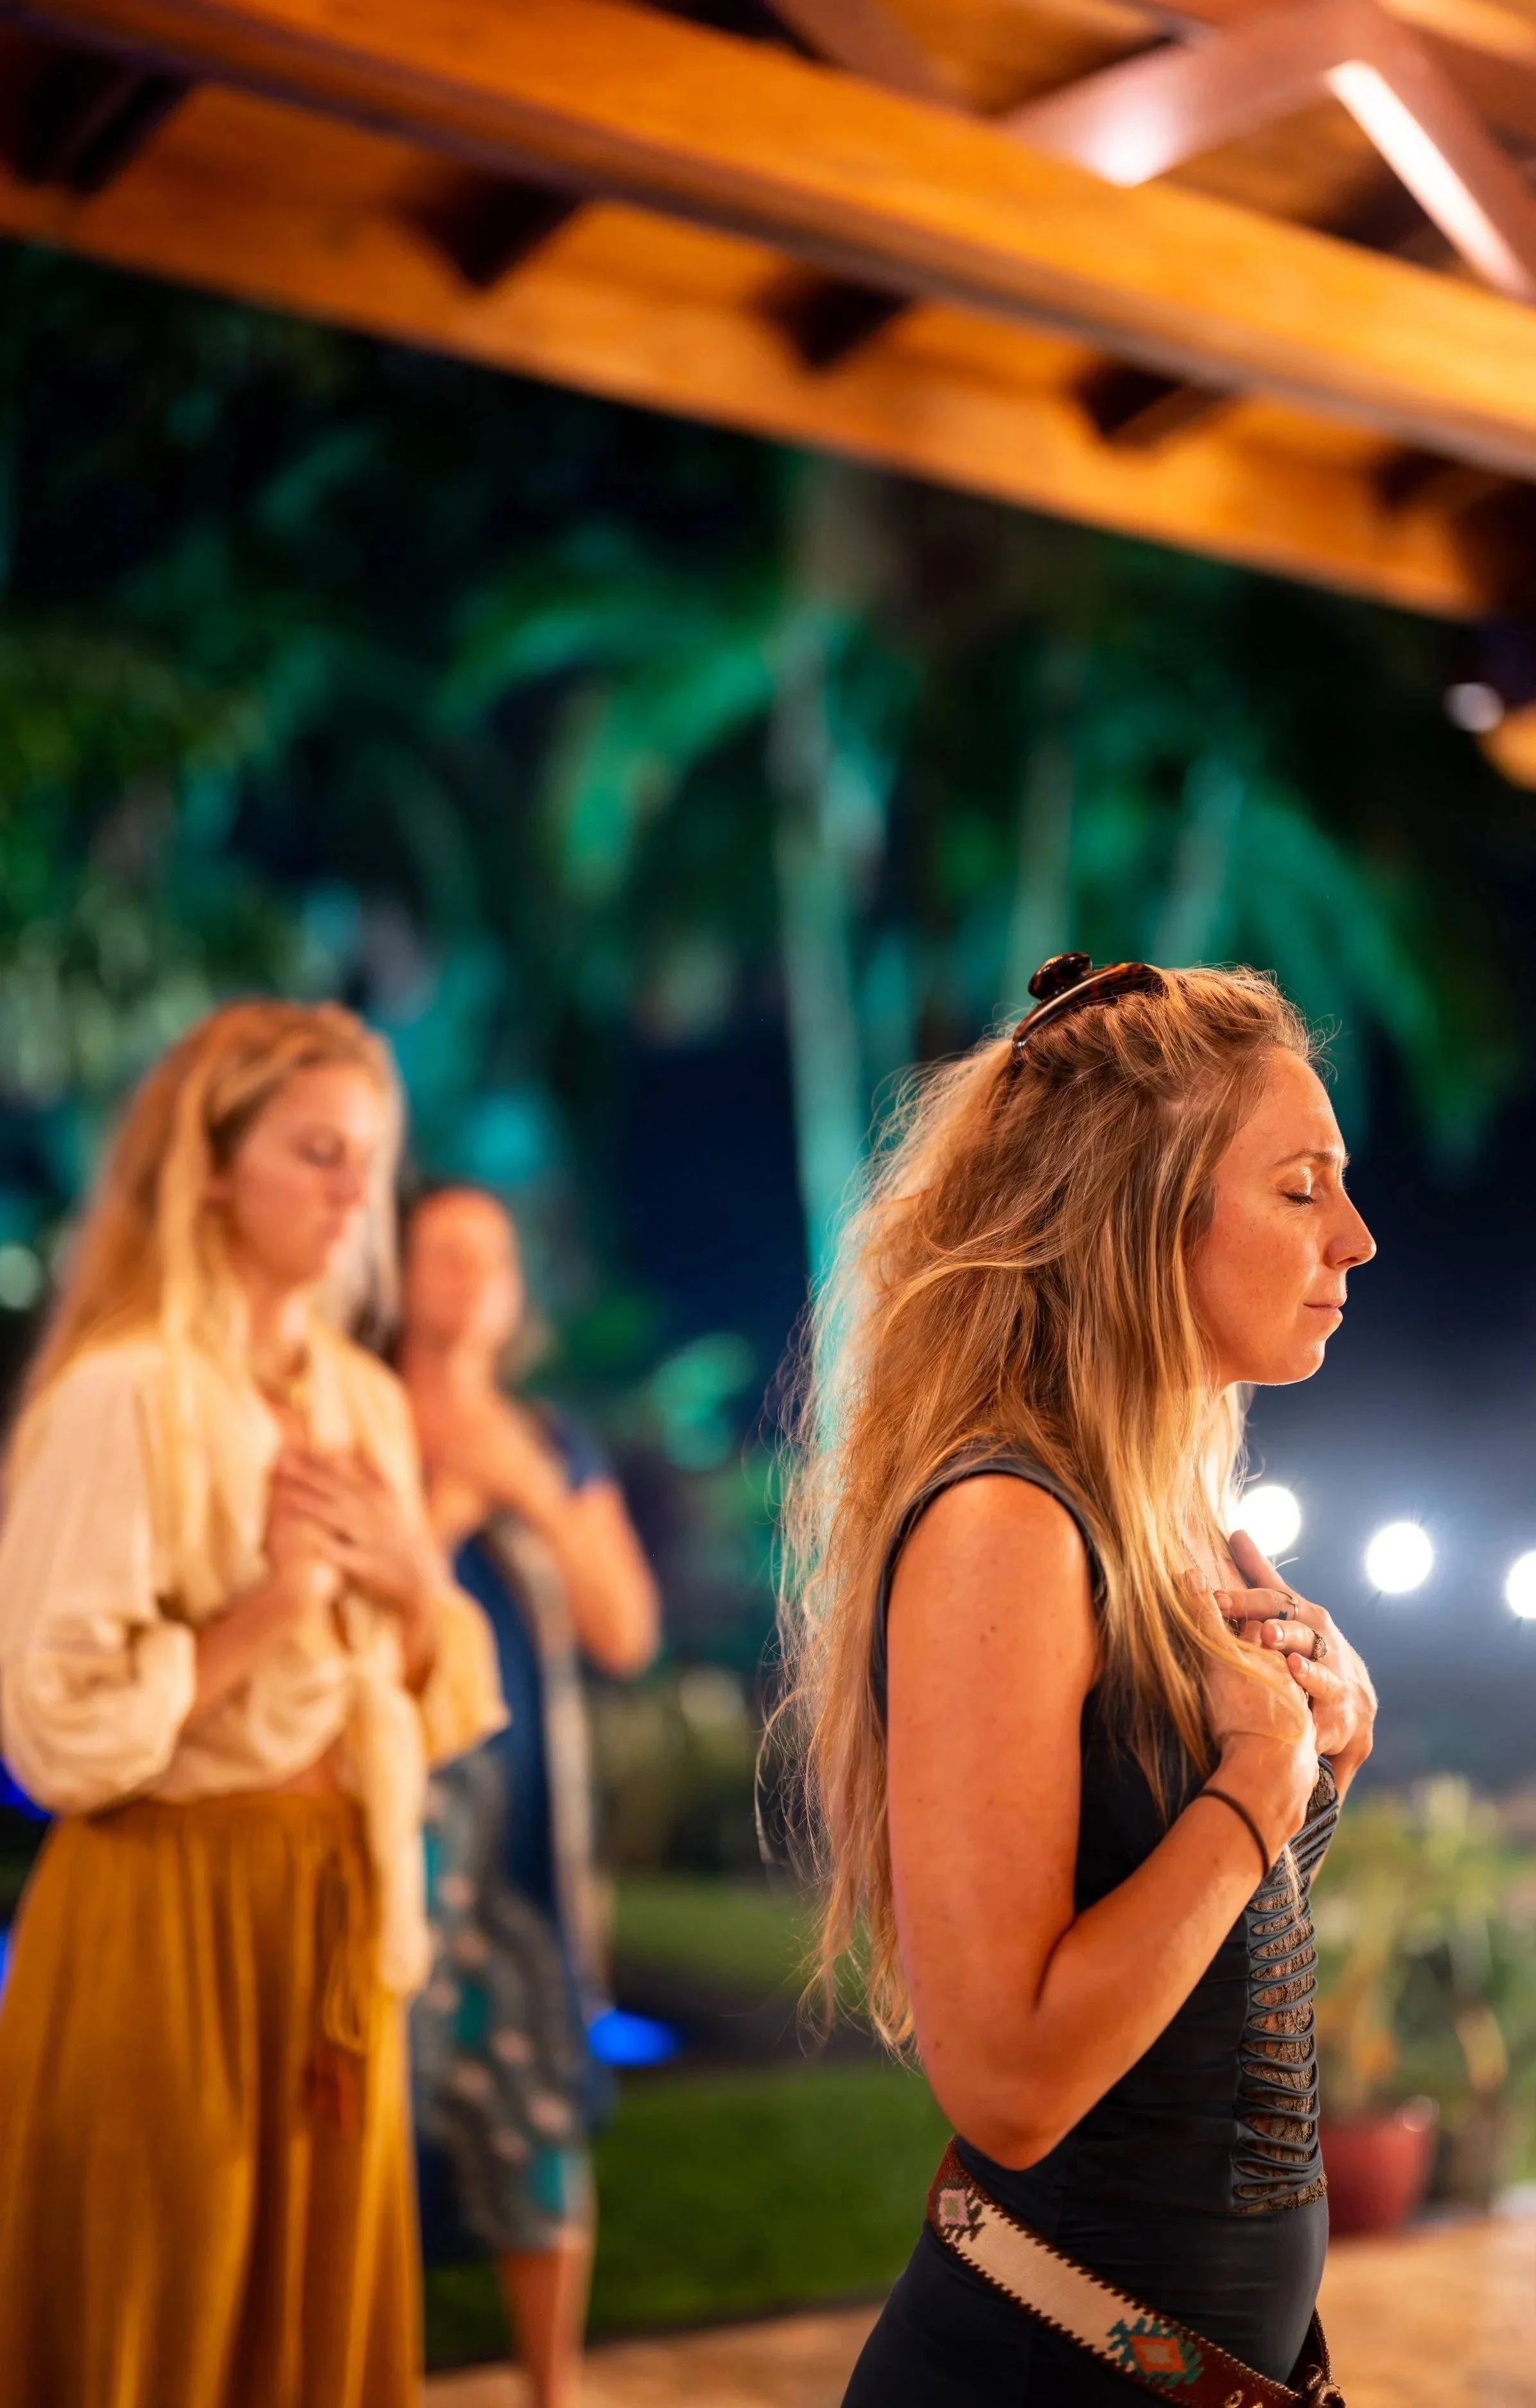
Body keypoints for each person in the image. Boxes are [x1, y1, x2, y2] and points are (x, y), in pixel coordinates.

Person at [780, 955, 1380, 2405]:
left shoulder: (1162, 1518)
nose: (1352, 1239)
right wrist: (1256, 1782)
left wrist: (1319, 1753)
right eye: (1297, 1189)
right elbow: (1010, 2085)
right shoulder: (1008, 1524)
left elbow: (1179, 1963)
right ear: (1135, 1209)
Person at [0, 1000, 506, 2408]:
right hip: (169, 1912)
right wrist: (272, 1609)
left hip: (335, 1919)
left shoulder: (362, 1398)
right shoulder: (122, 1397)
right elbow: (52, 1734)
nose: (359, 1191)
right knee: (160, 2318)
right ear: (210, 1169)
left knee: (311, 2335)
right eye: (318, 1152)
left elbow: (441, 1688)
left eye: (371, 1159)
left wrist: (411, 1579)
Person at [397, 1184, 660, 2408]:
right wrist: (448, 1494)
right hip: (383, 1815)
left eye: (490, 1257)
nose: (466, 1278)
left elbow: (625, 1630)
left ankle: (552, 2389)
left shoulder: (548, 1442)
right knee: (374, 2106)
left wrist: (523, 1488)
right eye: (441, 1252)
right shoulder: (347, 1419)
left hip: (516, 1832)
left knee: (536, 2092)